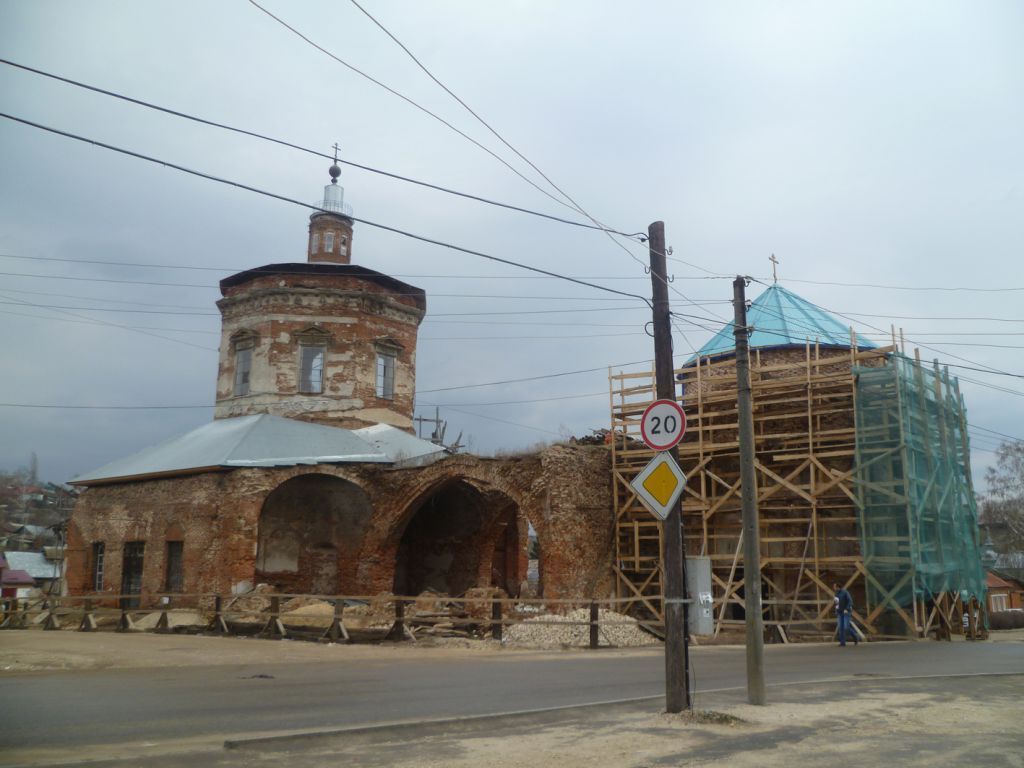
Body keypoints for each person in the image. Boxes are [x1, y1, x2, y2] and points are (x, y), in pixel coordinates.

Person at [834, 582, 858, 647]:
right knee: (840, 627)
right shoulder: (836, 594)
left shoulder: (845, 592)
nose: (834, 588)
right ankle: (842, 643)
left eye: (835, 586)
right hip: (840, 612)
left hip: (846, 612)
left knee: (846, 627)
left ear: (838, 587)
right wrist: (836, 611)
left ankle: (855, 637)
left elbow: (850, 601)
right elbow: (836, 603)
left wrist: (846, 609)